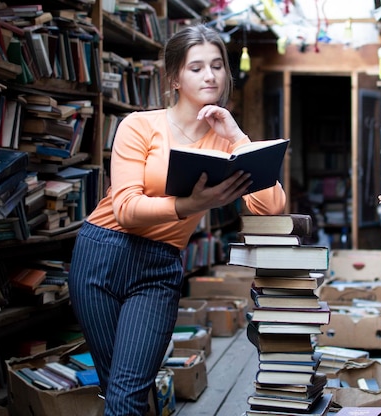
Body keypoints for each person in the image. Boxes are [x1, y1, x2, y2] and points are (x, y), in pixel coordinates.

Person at [68, 24, 286, 416]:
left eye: (217, 66)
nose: (210, 75)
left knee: (128, 390)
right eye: (197, 67)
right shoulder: (138, 125)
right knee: (117, 385)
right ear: (174, 78)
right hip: (101, 255)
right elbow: (126, 210)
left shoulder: (227, 141)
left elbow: (271, 208)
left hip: (159, 268)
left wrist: (237, 136)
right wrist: (188, 205)